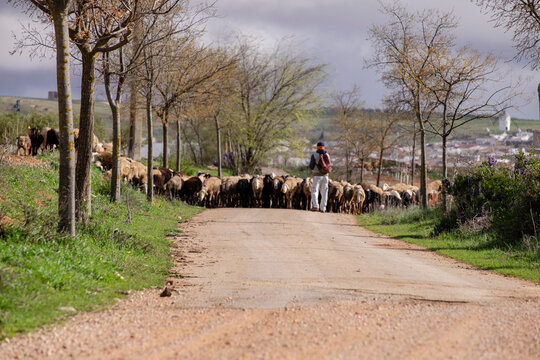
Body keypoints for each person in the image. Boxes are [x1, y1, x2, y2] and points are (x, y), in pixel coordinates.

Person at [309, 141, 330, 212]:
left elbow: (311, 166)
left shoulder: (314, 155)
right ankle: (323, 208)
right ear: (324, 147)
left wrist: (312, 169)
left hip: (317, 176)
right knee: (324, 192)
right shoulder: (327, 155)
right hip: (326, 176)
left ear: (317, 147)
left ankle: (315, 206)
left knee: (315, 191)